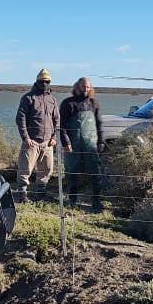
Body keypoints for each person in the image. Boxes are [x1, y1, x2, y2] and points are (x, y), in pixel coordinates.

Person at [60, 77, 105, 212]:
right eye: (83, 87)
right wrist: (65, 143)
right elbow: (61, 126)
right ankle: (72, 200)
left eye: (87, 87)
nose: (85, 89)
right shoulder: (68, 104)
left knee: (95, 173)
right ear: (77, 87)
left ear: (90, 88)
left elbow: (99, 124)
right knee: (72, 173)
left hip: (90, 144)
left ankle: (96, 201)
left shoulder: (94, 104)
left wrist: (101, 141)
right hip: (73, 145)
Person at [15, 68, 59, 203]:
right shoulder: (28, 98)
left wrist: (54, 138)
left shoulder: (52, 99)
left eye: (47, 81)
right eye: (42, 81)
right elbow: (20, 119)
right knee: (25, 168)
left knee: (46, 169)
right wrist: (26, 137)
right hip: (31, 141)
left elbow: (57, 119)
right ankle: (22, 194)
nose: (44, 84)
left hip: (47, 142)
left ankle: (41, 192)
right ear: (37, 81)